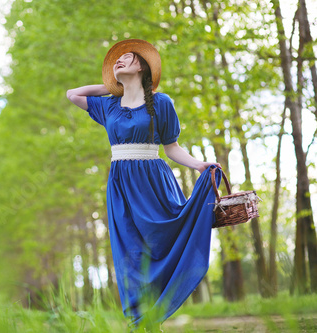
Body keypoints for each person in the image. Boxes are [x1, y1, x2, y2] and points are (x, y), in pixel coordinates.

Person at [66, 39, 222, 332]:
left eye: (127, 58)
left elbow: (172, 148)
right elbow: (72, 94)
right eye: (116, 61)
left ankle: (158, 311)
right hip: (121, 187)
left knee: (161, 241)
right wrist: (112, 86)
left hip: (153, 181)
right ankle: (142, 322)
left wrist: (199, 165)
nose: (118, 61)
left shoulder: (161, 103)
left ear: (142, 67)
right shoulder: (109, 105)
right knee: (131, 253)